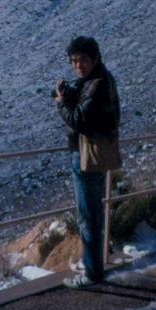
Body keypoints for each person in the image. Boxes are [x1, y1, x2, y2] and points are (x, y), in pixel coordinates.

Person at [54, 36, 121, 288]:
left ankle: (92, 274)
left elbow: (79, 120)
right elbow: (92, 114)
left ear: (95, 58)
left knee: (87, 217)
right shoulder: (101, 79)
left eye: (83, 59)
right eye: (74, 61)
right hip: (95, 153)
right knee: (94, 212)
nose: (78, 65)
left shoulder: (97, 83)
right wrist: (72, 96)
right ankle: (93, 264)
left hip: (86, 156)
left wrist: (61, 104)